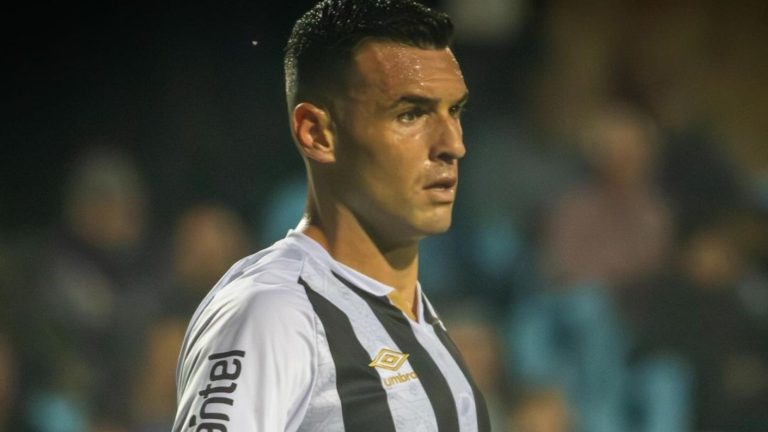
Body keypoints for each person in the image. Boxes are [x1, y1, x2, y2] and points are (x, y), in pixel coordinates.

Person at [172, 0, 490, 431]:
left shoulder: (415, 315)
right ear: (317, 133)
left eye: (454, 111)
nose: (453, 144)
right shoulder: (272, 311)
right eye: (410, 114)